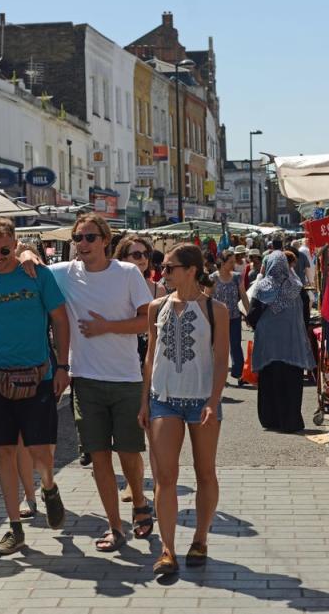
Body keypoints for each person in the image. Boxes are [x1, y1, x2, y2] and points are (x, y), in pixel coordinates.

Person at [0, 217, 71, 556]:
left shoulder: (37, 274)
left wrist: (63, 365)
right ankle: (14, 528)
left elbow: (61, 319)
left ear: (16, 243)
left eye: (5, 250)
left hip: (38, 374)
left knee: (39, 451)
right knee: (4, 452)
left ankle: (48, 487)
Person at [48, 214, 154, 553]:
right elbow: (30, 264)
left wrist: (107, 326)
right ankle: (114, 526)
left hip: (125, 378)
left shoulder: (126, 274)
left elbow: (146, 322)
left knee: (129, 453)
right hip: (86, 380)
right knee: (99, 457)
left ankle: (139, 500)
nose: (82, 243)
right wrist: (22, 253)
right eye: (77, 237)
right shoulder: (65, 273)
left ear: (106, 240)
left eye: (90, 237)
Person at [139, 243, 229, 574]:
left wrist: (214, 400)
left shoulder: (214, 309)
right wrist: (143, 400)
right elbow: (150, 356)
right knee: (165, 475)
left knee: (205, 471)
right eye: (162, 268)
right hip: (163, 398)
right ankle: (167, 549)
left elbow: (221, 360)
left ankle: (201, 539)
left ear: (190, 270)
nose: (162, 273)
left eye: (168, 268)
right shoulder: (155, 307)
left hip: (202, 401)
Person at [114, 235, 165, 502]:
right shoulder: (114, 288)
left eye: (145, 254)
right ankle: (133, 484)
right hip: (125, 364)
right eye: (135, 254)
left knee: (155, 430)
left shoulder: (159, 290)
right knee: (129, 434)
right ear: (121, 258)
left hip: (154, 365)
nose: (142, 259)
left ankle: (159, 486)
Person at [247, 252, 316, 433]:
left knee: (270, 382)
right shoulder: (297, 287)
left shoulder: (262, 287)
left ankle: (271, 420)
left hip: (269, 347)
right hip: (292, 344)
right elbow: (306, 316)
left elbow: (252, 316)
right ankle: (291, 421)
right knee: (292, 383)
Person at [208, 249, 250, 386]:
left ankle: (239, 374)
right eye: (230, 262)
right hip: (216, 319)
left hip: (234, 317)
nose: (233, 265)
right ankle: (218, 376)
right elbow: (206, 298)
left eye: (234, 262)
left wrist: (249, 314)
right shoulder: (213, 278)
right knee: (217, 347)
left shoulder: (237, 277)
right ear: (222, 262)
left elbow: (243, 296)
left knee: (236, 345)